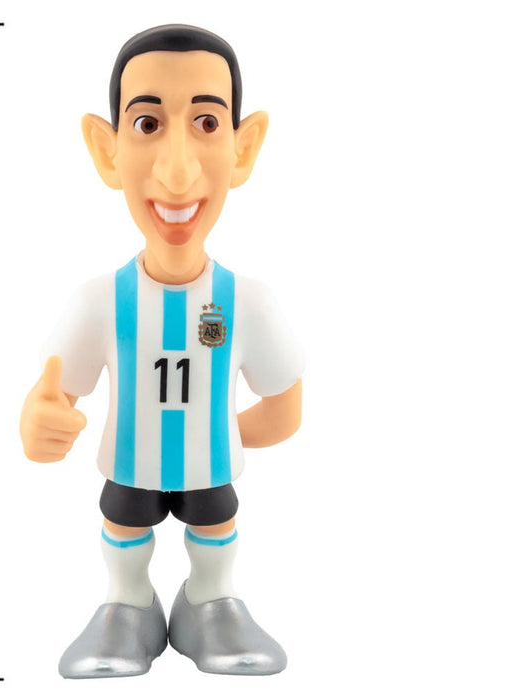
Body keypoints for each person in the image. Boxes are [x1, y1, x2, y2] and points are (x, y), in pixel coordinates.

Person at [20, 24, 305, 678]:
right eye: (147, 124)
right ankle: (127, 605)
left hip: (209, 468)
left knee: (215, 523)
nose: (177, 171)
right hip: (130, 464)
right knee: (124, 522)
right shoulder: (100, 302)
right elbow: (54, 390)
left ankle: (210, 601)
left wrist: (215, 433)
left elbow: (287, 407)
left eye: (207, 122)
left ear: (242, 147)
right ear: (108, 149)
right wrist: (37, 421)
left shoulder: (248, 303)